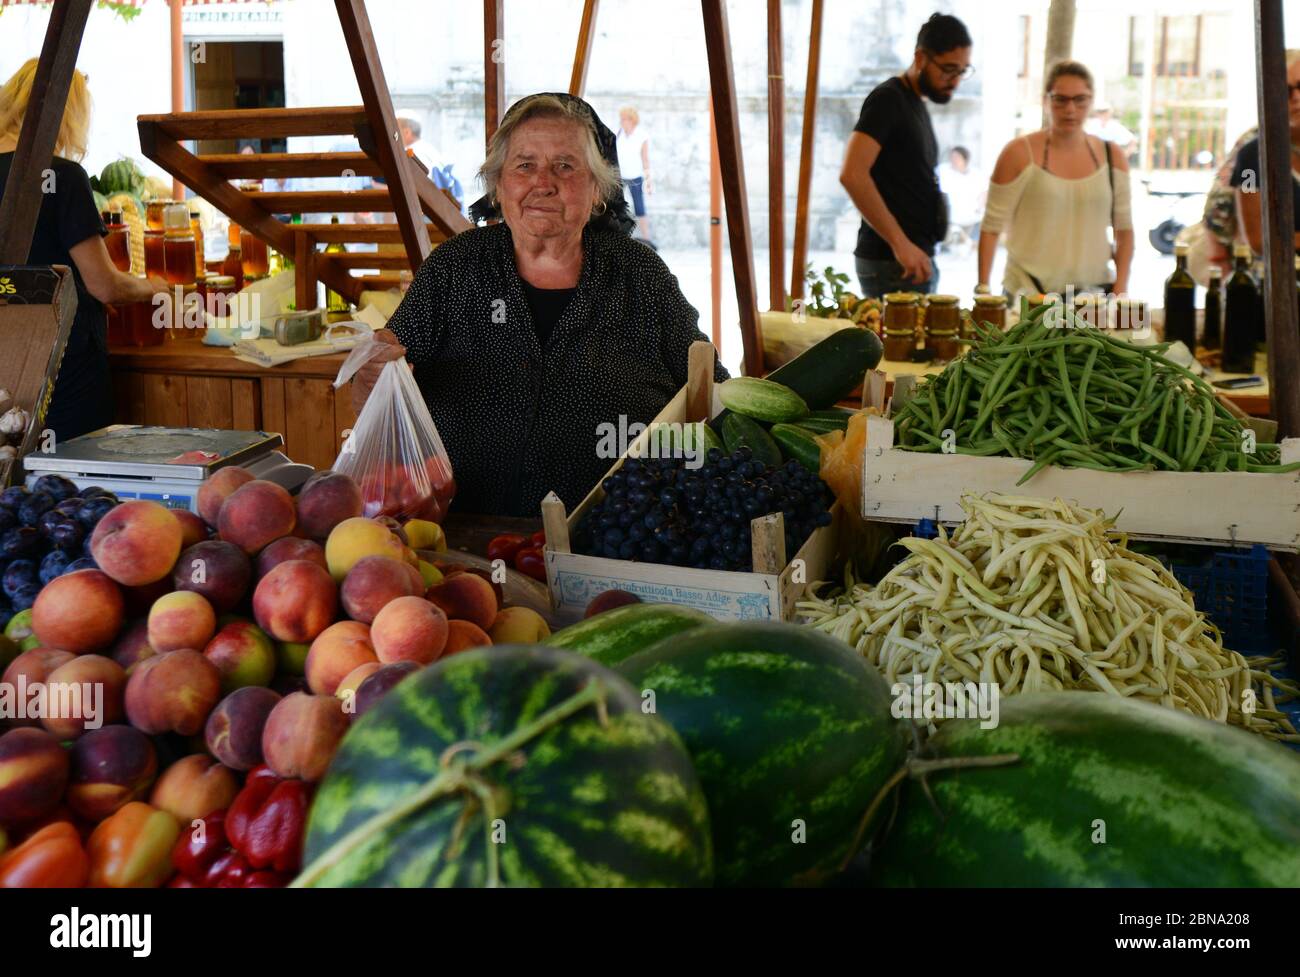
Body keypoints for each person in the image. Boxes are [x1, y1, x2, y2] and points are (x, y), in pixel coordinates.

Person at [349, 93, 728, 518]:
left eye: (565, 166)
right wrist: (370, 378)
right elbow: (383, 383)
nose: (543, 182)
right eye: (524, 165)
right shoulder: (454, 269)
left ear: (598, 189)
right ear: (499, 184)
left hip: (615, 535)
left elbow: (712, 389)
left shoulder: (639, 274)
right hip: (465, 533)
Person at [0, 60, 168, 442]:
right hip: (61, 370)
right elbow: (104, 286)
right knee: (72, 491)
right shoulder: (61, 175)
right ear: (66, 114)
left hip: (6, 371)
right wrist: (151, 287)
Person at [840, 13, 973, 297]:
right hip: (892, 263)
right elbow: (852, 174)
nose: (955, 81)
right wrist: (900, 244)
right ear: (921, 58)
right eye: (949, 69)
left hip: (911, 260)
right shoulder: (888, 99)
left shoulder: (915, 102)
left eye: (962, 71)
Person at [978, 60, 1134, 299]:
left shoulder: (1113, 157)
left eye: (1080, 99)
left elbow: (1124, 230)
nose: (1070, 109)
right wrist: (983, 291)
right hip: (1028, 294)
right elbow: (991, 228)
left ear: (1091, 101)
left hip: (1094, 297)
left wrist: (1120, 290)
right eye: (1060, 99)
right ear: (1046, 101)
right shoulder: (1018, 153)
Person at [1232, 50, 1300, 260]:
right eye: (1286, 90)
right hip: (1282, 279)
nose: (1296, 97)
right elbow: (1259, 241)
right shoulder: (1252, 159)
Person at [936, 145, 985, 251]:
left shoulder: (976, 174)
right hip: (949, 214)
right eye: (952, 157)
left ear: (965, 159)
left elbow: (984, 193)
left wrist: (980, 207)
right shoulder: (943, 170)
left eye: (957, 157)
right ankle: (964, 240)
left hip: (971, 214)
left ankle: (967, 241)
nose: (954, 160)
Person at [616, 106, 652, 243]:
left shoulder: (642, 136)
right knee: (618, 207)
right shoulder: (619, 133)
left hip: (636, 176)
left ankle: (647, 238)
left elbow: (645, 159)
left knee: (639, 207)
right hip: (621, 176)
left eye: (625, 119)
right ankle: (619, 237)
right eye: (621, 119)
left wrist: (648, 181)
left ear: (632, 120)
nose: (622, 122)